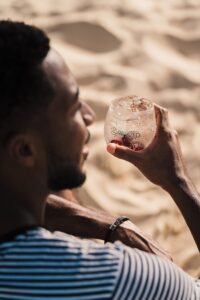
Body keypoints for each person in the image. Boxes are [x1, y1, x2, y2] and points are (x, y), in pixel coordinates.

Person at [0, 20, 199, 300]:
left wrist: (109, 226)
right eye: (73, 107)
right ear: (24, 150)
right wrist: (179, 183)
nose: (89, 116)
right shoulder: (124, 277)